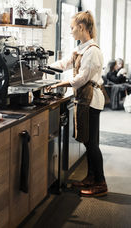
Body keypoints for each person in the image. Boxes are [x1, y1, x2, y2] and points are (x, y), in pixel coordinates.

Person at [48, 10, 107, 197]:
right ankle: (91, 177)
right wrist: (43, 68)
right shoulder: (80, 49)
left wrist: (60, 83)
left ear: (81, 28)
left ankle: (100, 183)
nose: (71, 31)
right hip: (84, 100)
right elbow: (65, 64)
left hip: (91, 101)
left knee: (92, 143)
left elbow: (82, 78)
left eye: (72, 28)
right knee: (88, 141)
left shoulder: (93, 51)